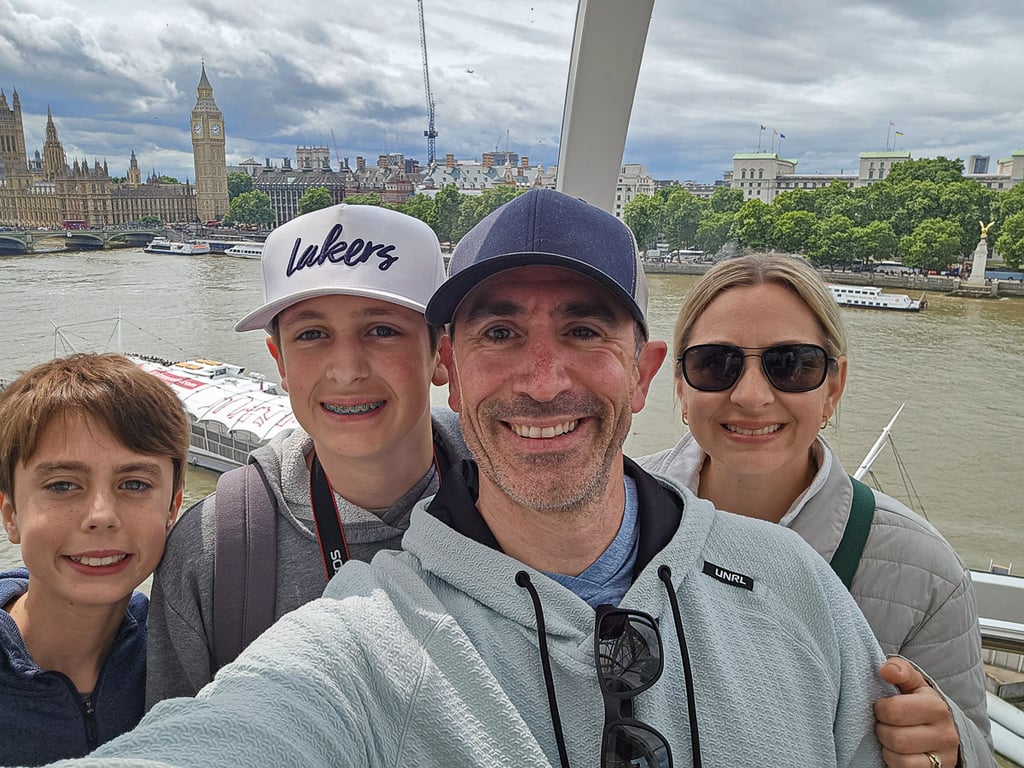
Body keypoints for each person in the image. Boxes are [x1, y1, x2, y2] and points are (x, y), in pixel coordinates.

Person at [65, 189, 892, 767]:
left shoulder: (792, 585)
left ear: (643, 374)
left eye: (583, 329)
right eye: (499, 331)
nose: (542, 380)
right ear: (454, 370)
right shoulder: (354, 628)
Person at [639, 254, 992, 768]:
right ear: (680, 384)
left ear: (834, 386)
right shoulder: (613, 512)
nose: (752, 396)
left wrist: (947, 749)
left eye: (792, 364)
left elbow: (973, 748)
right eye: (715, 363)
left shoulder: (924, 573)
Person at [145, 202, 468, 705]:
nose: (347, 370)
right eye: (312, 335)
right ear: (281, 363)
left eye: (382, 330)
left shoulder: (516, 491)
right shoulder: (211, 553)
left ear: (441, 355)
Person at [0, 353, 189, 765]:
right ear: (10, 514)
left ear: (172, 510)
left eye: (134, 484)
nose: (101, 515)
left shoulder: (186, 652)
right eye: (62, 485)